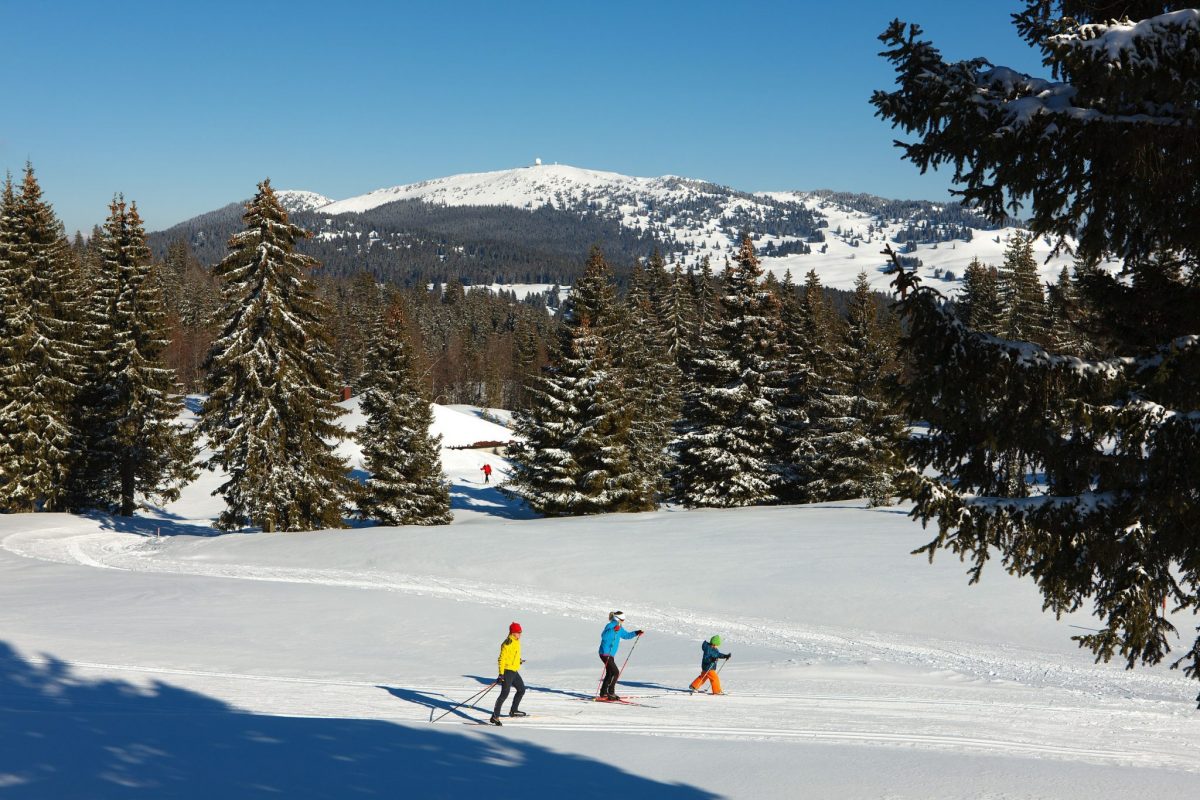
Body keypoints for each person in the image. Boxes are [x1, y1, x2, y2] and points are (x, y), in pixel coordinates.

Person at [597, 610, 642, 701]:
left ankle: (603, 693)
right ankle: (610, 692)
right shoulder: (610, 625)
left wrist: (636, 632)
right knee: (615, 672)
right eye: (622, 620)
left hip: (610, 654)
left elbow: (626, 635)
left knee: (610, 673)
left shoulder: (619, 627)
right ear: (617, 619)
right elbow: (604, 636)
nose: (623, 622)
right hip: (605, 653)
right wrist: (614, 630)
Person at [490, 622, 525, 725]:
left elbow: (513, 655)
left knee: (521, 690)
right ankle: (495, 717)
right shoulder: (507, 643)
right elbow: (501, 659)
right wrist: (501, 674)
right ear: (513, 632)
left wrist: (518, 660)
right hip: (507, 671)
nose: (520, 634)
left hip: (514, 670)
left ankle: (513, 711)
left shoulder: (516, 641)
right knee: (504, 694)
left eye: (520, 632)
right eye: (518, 632)